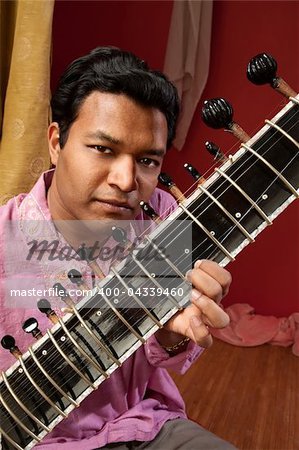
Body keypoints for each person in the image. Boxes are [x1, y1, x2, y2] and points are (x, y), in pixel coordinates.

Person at [0, 47, 235, 449]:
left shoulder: (163, 216)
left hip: (138, 423)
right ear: (57, 142)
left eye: (147, 161)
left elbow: (169, 351)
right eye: (103, 149)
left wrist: (171, 335)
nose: (127, 180)